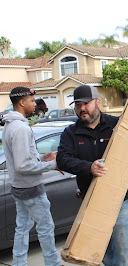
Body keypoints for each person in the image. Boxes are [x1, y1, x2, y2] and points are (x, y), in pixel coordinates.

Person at [56, 85, 128, 266]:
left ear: (97, 102)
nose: (82, 108)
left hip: (121, 201)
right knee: (102, 256)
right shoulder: (71, 133)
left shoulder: (117, 125)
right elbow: (62, 159)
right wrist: (88, 167)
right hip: (91, 201)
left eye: (86, 103)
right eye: (77, 105)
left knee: (124, 255)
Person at [2, 87, 61, 266]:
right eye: (32, 101)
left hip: (19, 187)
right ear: (22, 102)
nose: (35, 105)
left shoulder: (10, 125)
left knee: (23, 227)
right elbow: (23, 165)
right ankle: (53, 263)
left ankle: (18, 263)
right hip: (31, 189)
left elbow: (20, 157)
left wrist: (43, 157)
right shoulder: (20, 128)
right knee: (46, 228)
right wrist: (53, 165)